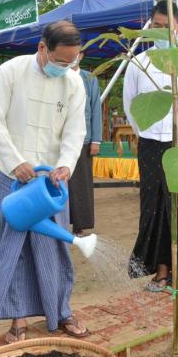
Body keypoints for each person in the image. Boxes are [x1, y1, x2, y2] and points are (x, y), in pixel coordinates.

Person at [0, 20, 88, 343]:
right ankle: (18, 318)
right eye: (60, 61)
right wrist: (15, 162)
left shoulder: (74, 83)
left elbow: (76, 130)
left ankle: (60, 310)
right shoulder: (11, 72)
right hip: (14, 177)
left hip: (52, 182)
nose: (65, 67)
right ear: (42, 48)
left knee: (55, 246)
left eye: (71, 62)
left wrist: (66, 165)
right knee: (15, 248)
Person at [123, 0, 178, 292]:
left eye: (165, 26)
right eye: (155, 26)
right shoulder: (139, 63)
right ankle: (160, 271)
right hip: (150, 144)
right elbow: (131, 105)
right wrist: (145, 132)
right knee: (153, 206)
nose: (160, 31)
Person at [68, 60, 102, 236]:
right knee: (59, 182)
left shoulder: (89, 79)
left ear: (80, 55)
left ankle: (79, 225)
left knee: (81, 183)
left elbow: (95, 108)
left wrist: (96, 140)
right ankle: (59, 223)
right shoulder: (58, 75)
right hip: (60, 139)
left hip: (84, 139)